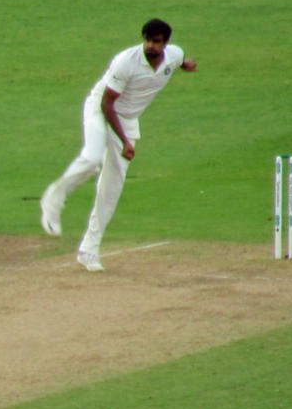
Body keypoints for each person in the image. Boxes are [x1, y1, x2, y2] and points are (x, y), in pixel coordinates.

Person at [38, 20, 197, 272]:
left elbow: (178, 59)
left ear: (165, 43)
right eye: (147, 40)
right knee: (91, 158)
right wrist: (124, 141)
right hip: (100, 110)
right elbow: (107, 104)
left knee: (111, 187)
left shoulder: (174, 55)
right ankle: (53, 198)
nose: (150, 46)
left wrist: (185, 64)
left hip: (128, 119)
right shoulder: (125, 62)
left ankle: (89, 250)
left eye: (156, 42)